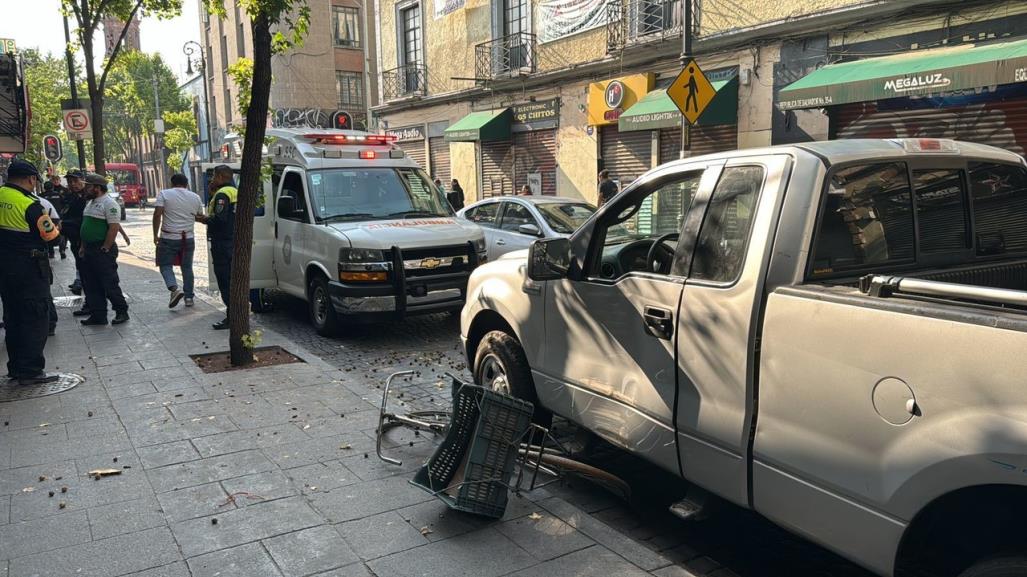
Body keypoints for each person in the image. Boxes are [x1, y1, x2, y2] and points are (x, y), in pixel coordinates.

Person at [0, 160, 60, 384]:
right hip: (29, 269)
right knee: (35, 316)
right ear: (31, 179)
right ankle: (31, 370)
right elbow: (51, 236)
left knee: (12, 316)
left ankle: (16, 367)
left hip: (5, 270)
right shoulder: (31, 204)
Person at [78, 172, 129, 326]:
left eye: (89, 186)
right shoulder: (90, 203)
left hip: (101, 250)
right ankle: (98, 315)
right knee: (92, 284)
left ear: (97, 188)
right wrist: (82, 246)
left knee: (109, 283)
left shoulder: (110, 204)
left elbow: (113, 228)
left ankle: (121, 311)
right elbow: (85, 226)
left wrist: (106, 247)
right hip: (89, 250)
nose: (86, 189)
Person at [195, 165, 237, 330]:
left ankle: (231, 318)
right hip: (234, 241)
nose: (211, 180)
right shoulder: (235, 191)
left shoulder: (222, 195)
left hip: (222, 243)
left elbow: (220, 220)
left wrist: (203, 219)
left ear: (220, 177)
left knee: (225, 281)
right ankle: (236, 315)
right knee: (233, 280)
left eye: (213, 177)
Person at [153, 173, 204, 309]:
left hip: (169, 237)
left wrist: (155, 235)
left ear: (172, 183)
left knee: (165, 264)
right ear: (187, 184)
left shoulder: (164, 194)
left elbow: (157, 214)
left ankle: (174, 289)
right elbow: (199, 216)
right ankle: (189, 298)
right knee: (187, 267)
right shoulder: (196, 197)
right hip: (188, 238)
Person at [61, 170, 88, 297]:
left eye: (76, 181)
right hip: (73, 237)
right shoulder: (69, 196)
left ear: (83, 180)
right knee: (80, 263)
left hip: (85, 239)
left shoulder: (88, 197)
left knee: (88, 271)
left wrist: (65, 223)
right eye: (70, 181)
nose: (73, 184)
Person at [43, 175, 67, 259]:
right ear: (52, 187)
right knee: (61, 233)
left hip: (46, 218)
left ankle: (51, 252)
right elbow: (64, 204)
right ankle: (62, 250)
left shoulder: (41, 196)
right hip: (58, 218)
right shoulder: (58, 194)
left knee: (49, 234)